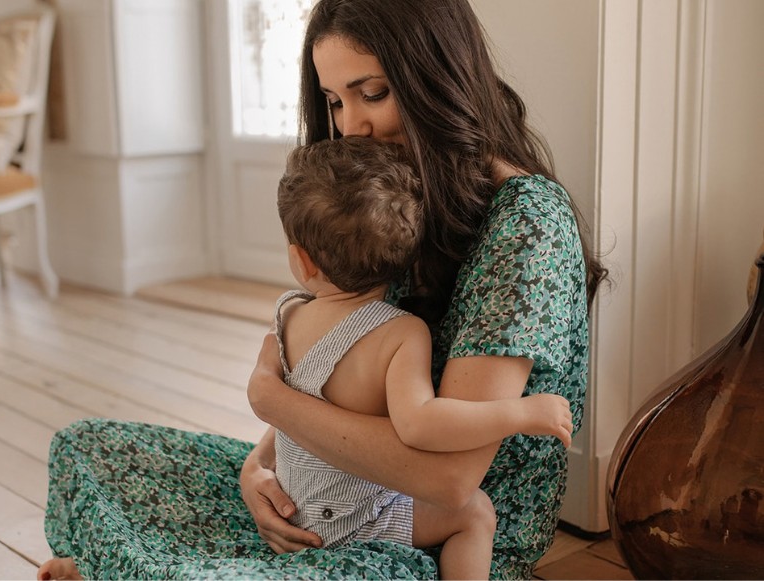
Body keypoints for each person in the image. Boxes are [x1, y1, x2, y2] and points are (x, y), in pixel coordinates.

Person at [39, 0, 606, 579]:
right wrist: (258, 470)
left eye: (373, 93)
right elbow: (335, 379)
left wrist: (274, 400)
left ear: (436, 78)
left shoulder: (525, 220)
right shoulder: (398, 195)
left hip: (438, 534)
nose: (350, 126)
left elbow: (451, 479)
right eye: (336, 101)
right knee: (87, 447)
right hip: (340, 492)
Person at [268, 136, 573, 579]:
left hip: (294, 509)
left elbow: (283, 400)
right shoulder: (399, 333)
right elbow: (422, 424)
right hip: (355, 519)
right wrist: (519, 412)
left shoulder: (288, 313)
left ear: (302, 260)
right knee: (475, 514)